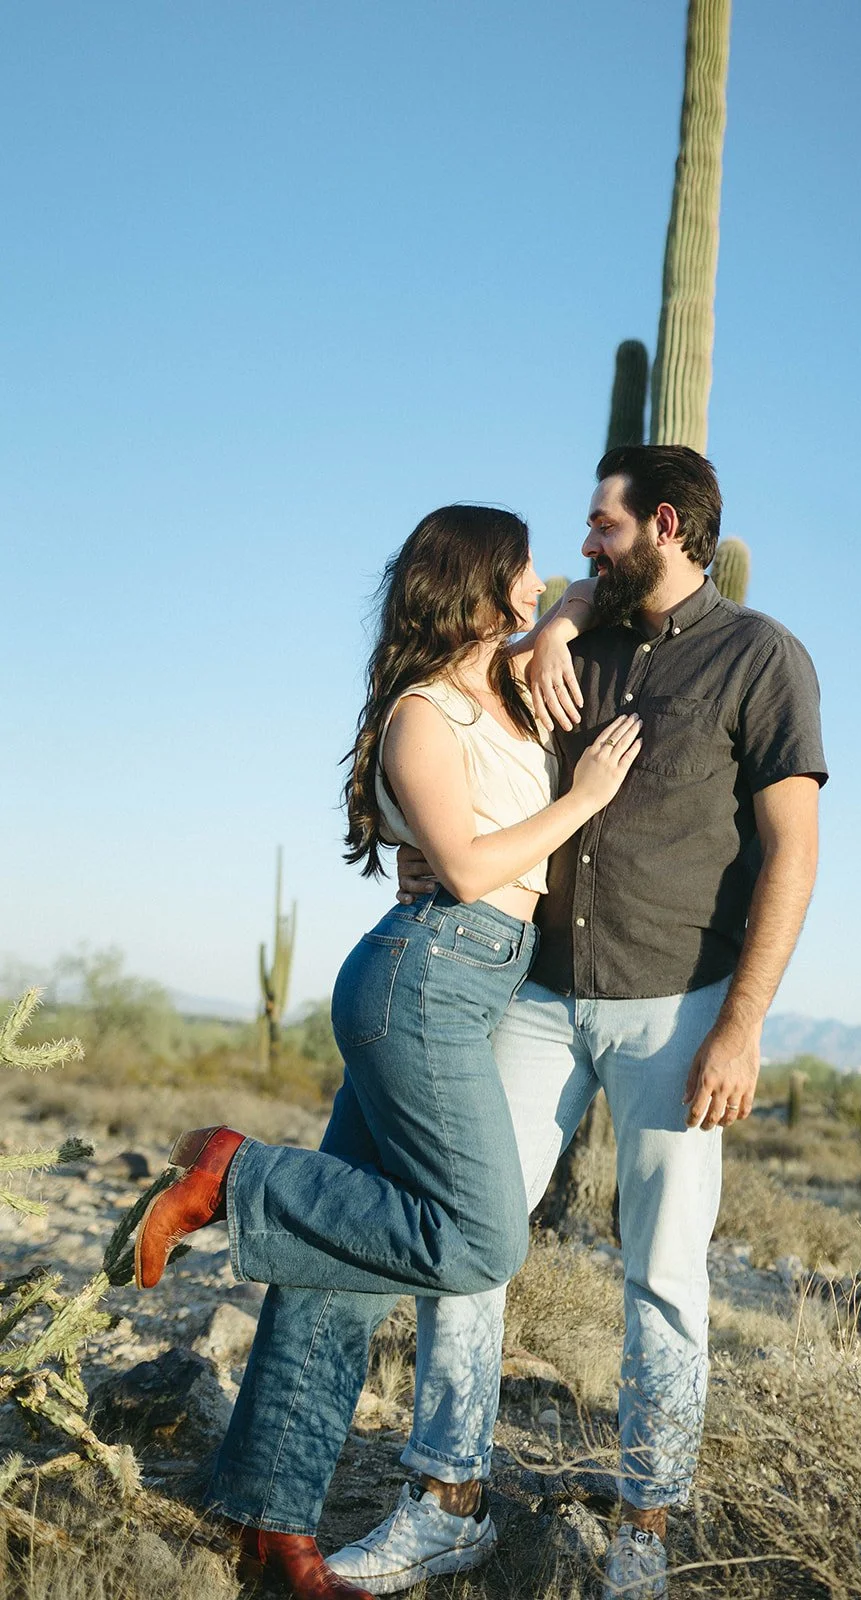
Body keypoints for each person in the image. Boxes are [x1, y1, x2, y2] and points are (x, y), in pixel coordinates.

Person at [326, 446, 828, 1600]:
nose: (582, 544)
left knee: (662, 1272)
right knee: (473, 1235)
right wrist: (553, 622)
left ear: (660, 524)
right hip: (536, 997)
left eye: (598, 525)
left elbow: (792, 852)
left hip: (679, 1004)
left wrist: (741, 1026)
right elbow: (456, 719)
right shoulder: (563, 643)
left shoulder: (760, 657)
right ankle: (444, 1497)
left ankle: (643, 1529)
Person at [131, 503, 642, 1600]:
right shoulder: (420, 715)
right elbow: (460, 866)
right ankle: (236, 1172)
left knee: (340, 1272)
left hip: (460, 986)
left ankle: (271, 1521)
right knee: (480, 1237)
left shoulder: (505, 680)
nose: (547, 576)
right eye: (525, 570)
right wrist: (586, 797)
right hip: (424, 979)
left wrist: (554, 628)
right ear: (481, 585)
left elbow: (586, 594)